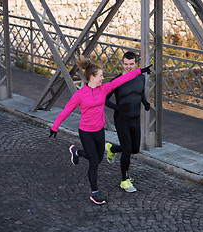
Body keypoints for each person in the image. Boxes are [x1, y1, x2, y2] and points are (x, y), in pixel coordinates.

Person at [49, 55, 151, 205]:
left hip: (99, 130)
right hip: (86, 132)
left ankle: (77, 152)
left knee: (99, 158)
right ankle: (94, 192)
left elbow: (122, 79)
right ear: (91, 77)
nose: (103, 78)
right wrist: (55, 126)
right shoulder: (80, 94)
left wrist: (140, 70)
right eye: (101, 75)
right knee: (94, 162)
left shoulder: (104, 89)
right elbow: (66, 110)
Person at [104, 51, 151, 193]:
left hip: (135, 118)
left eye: (131, 64)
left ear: (136, 64)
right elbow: (104, 98)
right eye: (126, 64)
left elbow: (140, 92)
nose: (128, 67)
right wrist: (116, 107)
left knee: (135, 149)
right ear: (122, 63)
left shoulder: (140, 78)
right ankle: (124, 180)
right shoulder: (117, 80)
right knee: (126, 150)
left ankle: (112, 149)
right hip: (122, 119)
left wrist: (145, 102)